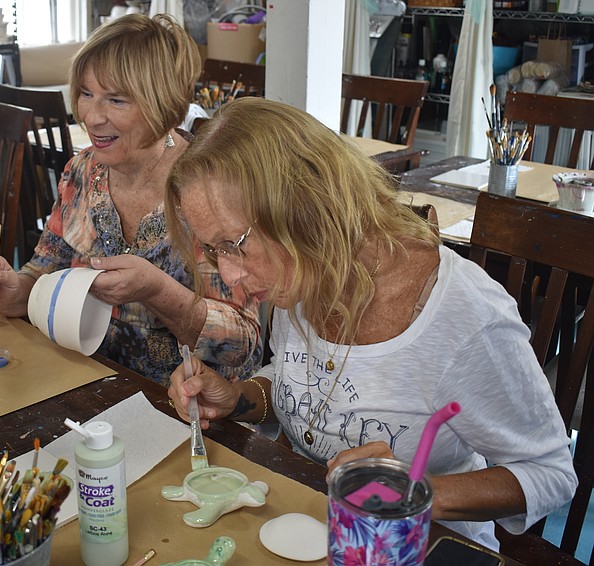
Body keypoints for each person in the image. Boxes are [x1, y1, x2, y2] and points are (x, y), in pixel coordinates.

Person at [164, 97, 576, 549]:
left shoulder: (463, 315)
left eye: (235, 244)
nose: (229, 275)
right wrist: (238, 399)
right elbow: (304, 390)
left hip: (419, 550)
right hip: (310, 529)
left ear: (305, 208)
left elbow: (551, 474)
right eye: (214, 250)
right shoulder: (299, 275)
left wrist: (413, 493)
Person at [0, 14, 261, 386]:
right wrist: (15, 290)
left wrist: (158, 291)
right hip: (91, 381)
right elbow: (45, 267)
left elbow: (244, 343)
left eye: (116, 100)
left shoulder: (208, 189)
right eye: (86, 93)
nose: (90, 115)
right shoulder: (83, 171)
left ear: (163, 103)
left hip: (193, 404)